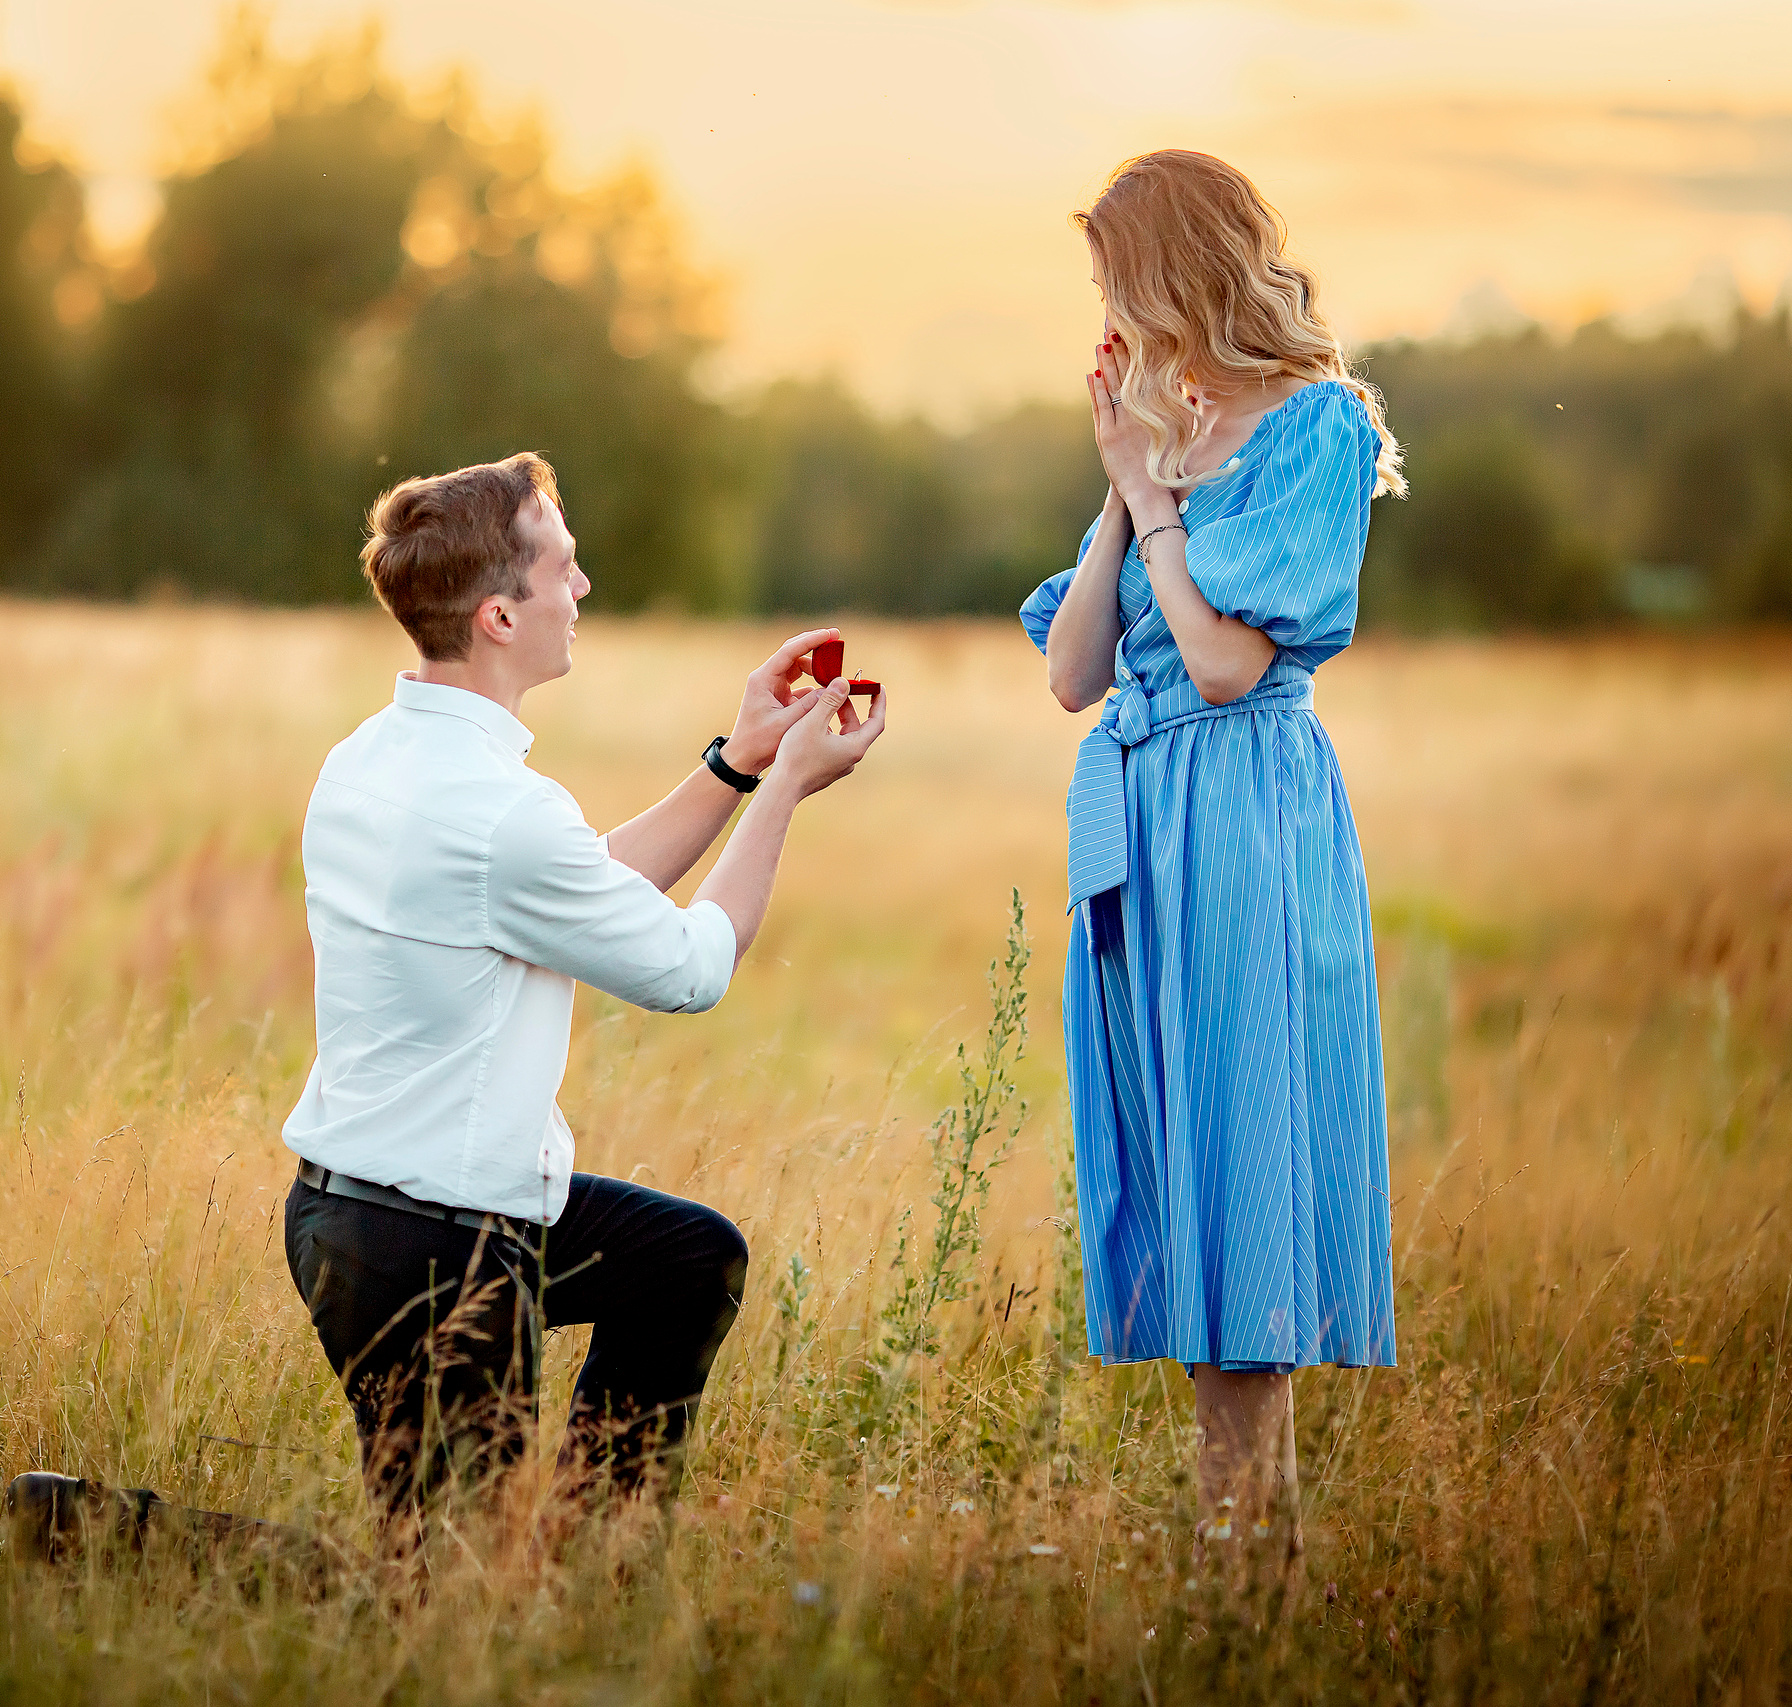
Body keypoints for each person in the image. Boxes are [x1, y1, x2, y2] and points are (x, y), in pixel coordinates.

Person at [283, 451, 884, 1542]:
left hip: (353, 1215)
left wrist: (740, 760)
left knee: (686, 1260)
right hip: (440, 1248)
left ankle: (588, 1555)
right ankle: (105, 1530)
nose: (583, 585)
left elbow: (574, 886)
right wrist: (789, 787)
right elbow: (691, 968)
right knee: (447, 1592)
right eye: (563, 565)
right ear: (501, 617)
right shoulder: (503, 811)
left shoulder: (367, 759)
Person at [1021, 150, 1407, 1583]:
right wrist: (1124, 488)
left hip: (1244, 815)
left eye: (1115, 279)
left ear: (1178, 272)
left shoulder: (1316, 425)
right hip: (1139, 826)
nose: (1107, 313)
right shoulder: (1157, 440)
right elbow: (1073, 673)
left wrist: (1161, 504)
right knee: (1177, 1162)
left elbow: (1227, 665)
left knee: (1242, 1153)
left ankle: (1250, 1559)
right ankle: (1242, 1550)